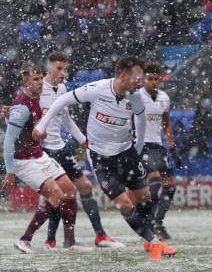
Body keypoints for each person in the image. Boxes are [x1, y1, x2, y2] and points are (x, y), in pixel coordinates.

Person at [33, 56, 176, 260]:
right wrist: (41, 125)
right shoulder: (97, 89)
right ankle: (154, 243)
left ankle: (148, 238)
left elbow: (141, 119)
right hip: (100, 157)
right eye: (137, 77)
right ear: (123, 76)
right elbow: (62, 100)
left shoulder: (135, 97)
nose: (140, 81)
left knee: (144, 198)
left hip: (126, 153)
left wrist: (138, 147)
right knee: (125, 204)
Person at [39, 51, 123, 249]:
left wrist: (83, 140)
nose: (62, 73)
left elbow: (67, 120)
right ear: (48, 67)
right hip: (43, 151)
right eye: (59, 68)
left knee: (84, 186)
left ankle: (100, 236)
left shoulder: (62, 89)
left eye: (65, 69)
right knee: (61, 193)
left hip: (60, 147)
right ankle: (51, 240)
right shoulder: (36, 88)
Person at [3, 64, 77, 254]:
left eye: (40, 78)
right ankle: (24, 240)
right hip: (24, 162)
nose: (39, 83)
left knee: (69, 190)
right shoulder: (21, 105)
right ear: (25, 81)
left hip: (38, 154)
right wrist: (10, 172)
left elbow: (28, 130)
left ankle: (70, 243)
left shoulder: (34, 99)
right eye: (35, 79)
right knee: (57, 195)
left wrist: (39, 135)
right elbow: (9, 141)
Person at [138, 63, 180, 240]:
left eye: (156, 79)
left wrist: (172, 146)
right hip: (140, 145)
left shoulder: (164, 98)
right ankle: (148, 223)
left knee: (170, 185)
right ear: (143, 80)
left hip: (157, 145)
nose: (153, 82)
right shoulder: (136, 97)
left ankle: (158, 222)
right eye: (150, 79)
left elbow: (165, 123)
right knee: (154, 180)